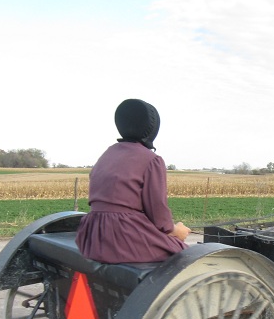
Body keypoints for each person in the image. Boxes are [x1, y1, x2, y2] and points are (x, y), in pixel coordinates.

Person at [75, 98, 191, 264]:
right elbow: (158, 213)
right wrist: (175, 231)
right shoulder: (151, 159)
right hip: (123, 237)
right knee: (184, 255)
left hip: (93, 235)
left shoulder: (108, 153)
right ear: (152, 129)